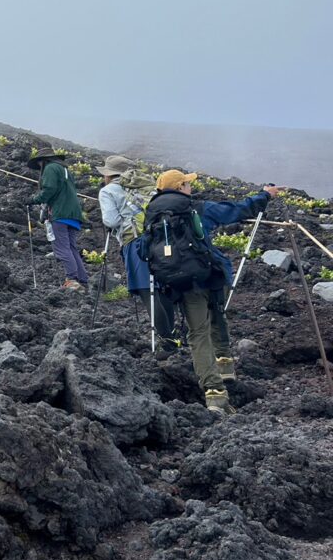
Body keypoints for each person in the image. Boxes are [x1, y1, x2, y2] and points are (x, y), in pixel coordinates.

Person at [141, 170, 284, 415]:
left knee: (198, 332)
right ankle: (221, 379)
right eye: (188, 183)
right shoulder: (195, 207)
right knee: (217, 315)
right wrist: (264, 195)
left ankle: (216, 390)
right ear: (181, 186)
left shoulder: (151, 214)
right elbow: (236, 210)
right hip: (207, 274)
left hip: (178, 281)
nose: (190, 187)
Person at [97, 155, 179, 353]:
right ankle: (175, 335)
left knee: (146, 289)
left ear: (109, 175)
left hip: (135, 243)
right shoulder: (145, 186)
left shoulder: (108, 191)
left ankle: (166, 340)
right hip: (161, 240)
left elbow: (111, 221)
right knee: (161, 287)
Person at [27, 147, 89, 290]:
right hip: (74, 214)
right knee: (72, 248)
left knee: (61, 248)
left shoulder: (50, 168)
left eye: (39, 165)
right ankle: (82, 281)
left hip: (60, 213)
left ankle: (72, 280)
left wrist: (33, 199)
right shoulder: (65, 170)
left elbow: (49, 190)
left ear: (43, 161)